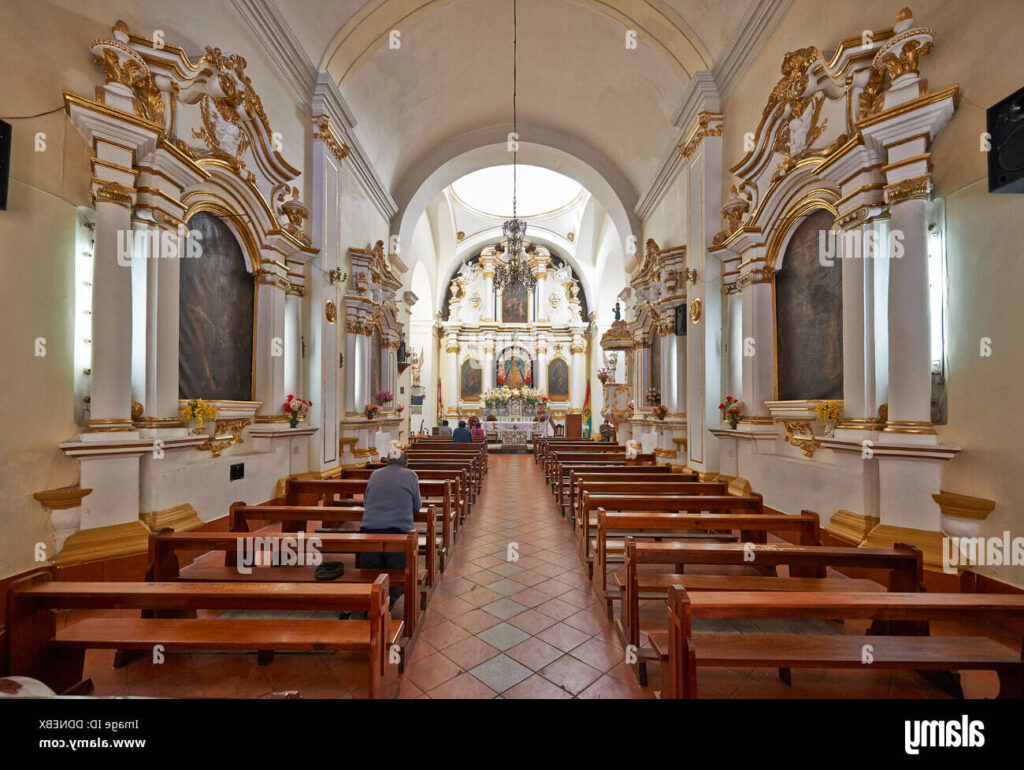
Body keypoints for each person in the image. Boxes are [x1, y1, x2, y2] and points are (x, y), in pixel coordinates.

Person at [357, 448, 421, 609]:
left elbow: (366, 502)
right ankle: (389, 601)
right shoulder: (411, 475)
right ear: (406, 464)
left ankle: (370, 602)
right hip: (399, 532)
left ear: (386, 461)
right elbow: (417, 506)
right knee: (397, 571)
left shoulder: (375, 474)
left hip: (369, 530)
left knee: (371, 570)